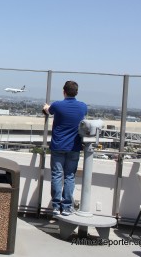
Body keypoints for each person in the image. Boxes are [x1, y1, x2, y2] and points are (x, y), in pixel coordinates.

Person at [43, 80, 87, 216]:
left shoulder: (57, 105)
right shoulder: (83, 107)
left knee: (56, 175)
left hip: (58, 145)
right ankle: (67, 206)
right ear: (76, 92)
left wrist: (46, 107)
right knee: (70, 176)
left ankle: (56, 206)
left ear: (64, 91)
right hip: (74, 146)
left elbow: (48, 110)